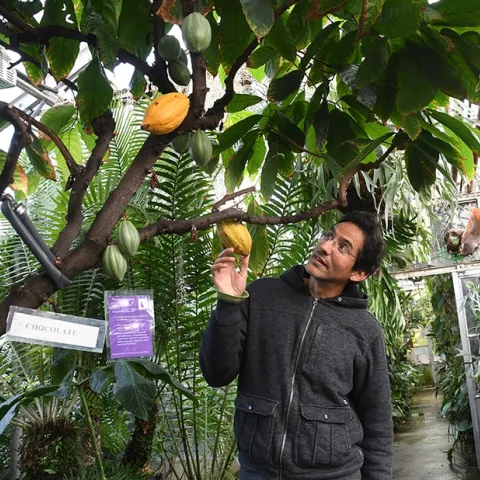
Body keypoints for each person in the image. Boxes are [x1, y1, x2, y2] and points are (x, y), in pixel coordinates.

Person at [199, 211, 393, 480]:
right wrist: (228, 302)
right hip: (258, 473)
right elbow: (216, 373)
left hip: (335, 475)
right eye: (329, 235)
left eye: (342, 247)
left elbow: (378, 423)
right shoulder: (261, 295)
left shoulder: (364, 329)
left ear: (359, 273)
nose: (324, 246)